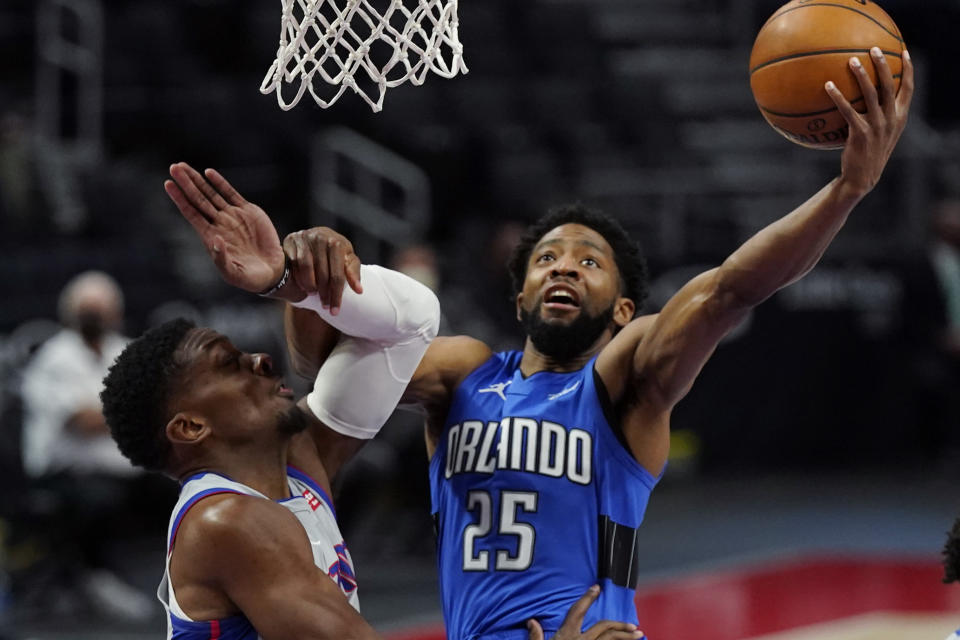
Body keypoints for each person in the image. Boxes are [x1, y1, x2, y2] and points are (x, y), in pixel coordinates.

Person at [291, 48, 913, 639]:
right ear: (521, 297)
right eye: (547, 259)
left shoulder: (623, 384)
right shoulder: (465, 374)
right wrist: (300, 281)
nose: (563, 267)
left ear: (622, 308)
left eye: (589, 261)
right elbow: (326, 368)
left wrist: (845, 192)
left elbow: (729, 291)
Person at [105, 162, 645, 639]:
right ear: (190, 428)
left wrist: (292, 281)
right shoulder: (226, 520)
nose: (261, 361)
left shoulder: (295, 467)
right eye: (229, 365)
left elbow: (412, 319)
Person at [19, 269, 161, 621]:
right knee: (99, 500)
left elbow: (153, 409)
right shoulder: (53, 358)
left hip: (127, 468)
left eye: (101, 309)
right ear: (70, 313)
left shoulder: (125, 351)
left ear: (116, 312)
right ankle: (97, 576)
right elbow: (80, 422)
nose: (94, 317)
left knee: (178, 487)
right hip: (65, 473)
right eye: (87, 309)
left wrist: (118, 411)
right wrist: (129, 408)